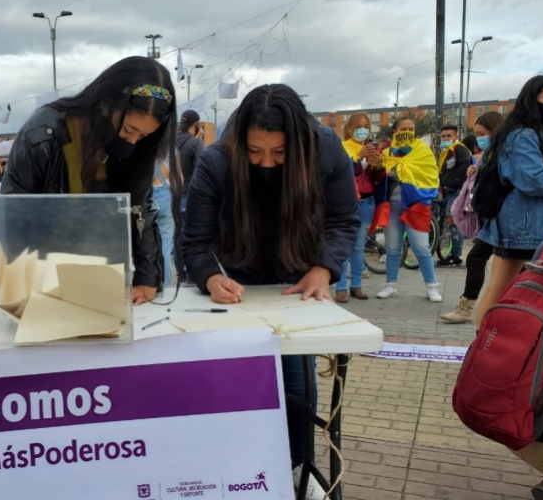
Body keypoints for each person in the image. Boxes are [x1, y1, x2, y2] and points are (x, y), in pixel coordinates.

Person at [182, 84, 358, 500]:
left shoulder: (327, 149)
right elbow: (194, 241)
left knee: (296, 380)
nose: (265, 163)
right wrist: (209, 277)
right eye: (255, 151)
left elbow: (343, 218)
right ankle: (233, 469)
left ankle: (299, 466)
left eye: (279, 154)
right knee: (231, 382)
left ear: (298, 144)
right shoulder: (216, 160)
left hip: (295, 281)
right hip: (234, 280)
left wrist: (323, 269)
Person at [2, 56, 181, 305]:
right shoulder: (44, 133)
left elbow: (142, 211)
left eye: (143, 136)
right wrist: (22, 292)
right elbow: (14, 215)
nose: (132, 141)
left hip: (105, 278)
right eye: (129, 130)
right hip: (44, 275)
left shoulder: (137, 149)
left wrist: (148, 278)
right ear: (107, 104)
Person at [475, 75, 543, 328]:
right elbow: (536, 181)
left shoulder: (539, 134)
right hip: (522, 225)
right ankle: (482, 344)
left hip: (533, 225)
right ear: (532, 101)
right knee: (498, 289)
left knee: (505, 289)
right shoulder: (522, 135)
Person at [440, 111, 505, 323]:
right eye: (476, 134)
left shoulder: (505, 154)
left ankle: (472, 309)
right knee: (481, 259)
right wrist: (473, 172)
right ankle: (468, 308)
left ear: (495, 131)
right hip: (489, 219)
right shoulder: (487, 155)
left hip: (503, 220)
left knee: (494, 263)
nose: (479, 138)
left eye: (483, 133)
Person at [375, 117, 442, 302]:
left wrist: (400, 170)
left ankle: (432, 286)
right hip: (392, 206)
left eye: (411, 129)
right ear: (394, 131)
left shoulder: (422, 151)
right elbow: (379, 176)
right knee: (393, 248)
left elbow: (430, 175)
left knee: (421, 247)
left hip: (416, 206)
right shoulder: (386, 153)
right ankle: (391, 284)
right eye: (403, 128)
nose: (407, 132)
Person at [335, 112, 386, 302]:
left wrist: (379, 166)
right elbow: (342, 173)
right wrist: (358, 158)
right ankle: (340, 286)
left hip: (367, 203)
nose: (362, 130)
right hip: (347, 203)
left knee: (357, 248)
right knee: (343, 246)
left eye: (366, 126)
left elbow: (378, 179)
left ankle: (356, 285)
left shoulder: (370, 149)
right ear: (349, 129)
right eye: (358, 126)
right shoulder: (342, 148)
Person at [437, 124, 472, 266]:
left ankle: (456, 256)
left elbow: (464, 166)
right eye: (443, 136)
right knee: (450, 222)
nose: (445, 138)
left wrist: (455, 183)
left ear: (456, 136)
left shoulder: (460, 149)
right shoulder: (446, 152)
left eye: (449, 136)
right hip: (447, 191)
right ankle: (453, 254)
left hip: (455, 191)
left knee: (453, 222)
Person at [152, 156, 175, 285]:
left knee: (144, 245)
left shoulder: (143, 147)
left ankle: (149, 284)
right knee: (165, 249)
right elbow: (179, 179)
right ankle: (166, 286)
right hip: (165, 196)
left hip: (146, 198)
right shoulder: (170, 152)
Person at [176, 109, 205, 208]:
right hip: (188, 196)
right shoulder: (195, 143)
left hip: (171, 197)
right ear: (196, 123)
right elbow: (201, 170)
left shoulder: (169, 142)